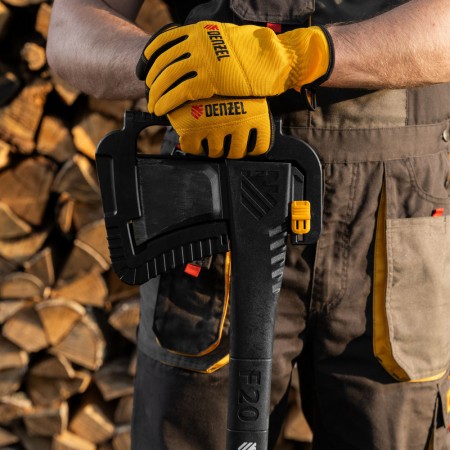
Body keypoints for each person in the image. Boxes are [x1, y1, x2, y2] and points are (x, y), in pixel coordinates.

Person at [47, 1, 450, 449]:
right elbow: (71, 27)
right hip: (213, 204)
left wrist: (297, 57)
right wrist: (167, 63)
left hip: (395, 217)